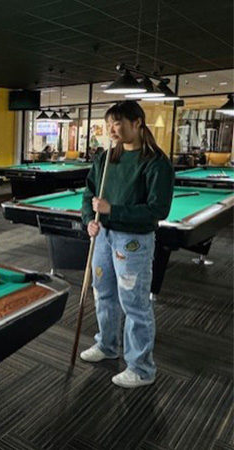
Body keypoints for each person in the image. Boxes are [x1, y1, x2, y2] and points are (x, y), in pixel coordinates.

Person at [80, 101, 174, 388]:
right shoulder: (107, 158)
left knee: (134, 304)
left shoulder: (156, 162)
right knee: (103, 294)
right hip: (104, 236)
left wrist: (113, 210)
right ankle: (107, 345)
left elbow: (158, 210)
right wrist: (89, 220)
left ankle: (142, 368)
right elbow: (89, 194)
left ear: (137, 123)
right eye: (109, 123)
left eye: (118, 122)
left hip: (133, 241)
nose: (112, 128)